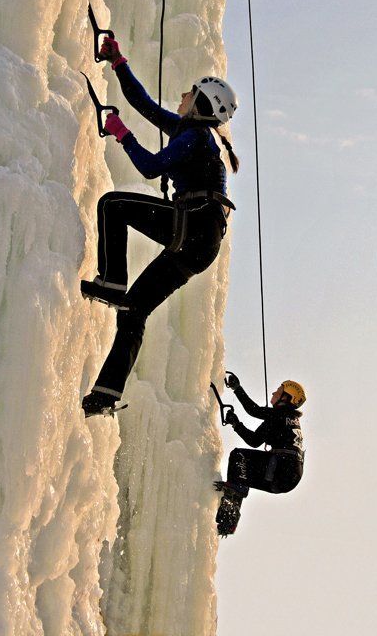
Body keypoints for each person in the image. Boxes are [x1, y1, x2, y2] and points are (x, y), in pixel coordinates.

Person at [81, 36, 239, 416]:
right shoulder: (193, 133)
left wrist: (123, 135)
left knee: (113, 204)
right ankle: (104, 396)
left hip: (193, 227)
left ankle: (111, 281)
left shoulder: (196, 138)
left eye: (190, 93)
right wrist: (118, 62)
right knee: (134, 312)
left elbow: (151, 167)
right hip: (199, 244)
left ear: (200, 104)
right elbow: (144, 104)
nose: (183, 95)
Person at [215, 377, 306, 537]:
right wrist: (236, 424)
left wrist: (237, 388)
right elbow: (256, 439)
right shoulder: (289, 419)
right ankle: (228, 522)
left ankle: (233, 500)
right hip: (287, 478)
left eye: (278, 391)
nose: (273, 392)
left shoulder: (281, 414)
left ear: (286, 398)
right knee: (240, 474)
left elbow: (253, 413)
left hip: (281, 468)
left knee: (238, 456)